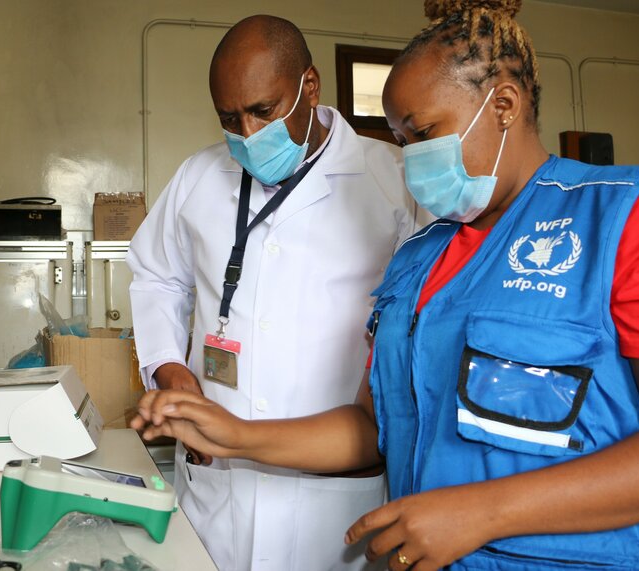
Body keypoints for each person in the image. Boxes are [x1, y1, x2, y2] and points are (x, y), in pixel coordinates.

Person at [131, 1, 639, 569]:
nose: (411, 158)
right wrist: (233, 433)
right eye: (402, 139)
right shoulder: (420, 257)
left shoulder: (633, 216)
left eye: (424, 132)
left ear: (503, 105)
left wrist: (484, 513)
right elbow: (375, 429)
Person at [125, 14, 421, 571]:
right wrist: (169, 368)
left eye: (263, 111)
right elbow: (157, 274)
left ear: (310, 86)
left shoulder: (392, 182)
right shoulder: (198, 177)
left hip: (332, 498)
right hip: (217, 491)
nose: (248, 133)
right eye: (229, 119)